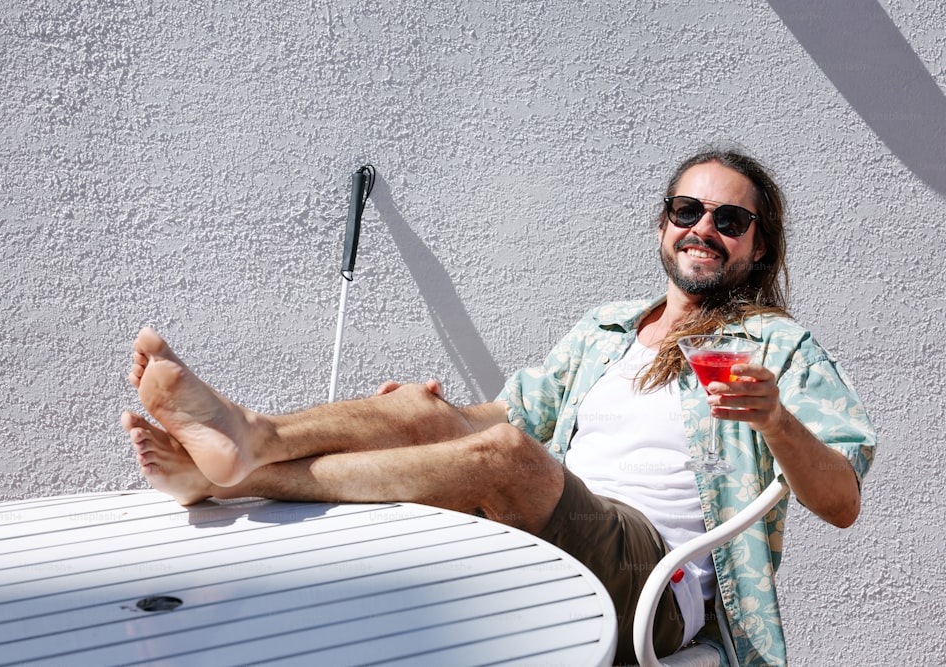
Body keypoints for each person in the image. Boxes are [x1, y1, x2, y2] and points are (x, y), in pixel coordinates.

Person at [121, 149, 875, 666]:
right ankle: (249, 437)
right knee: (430, 407)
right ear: (662, 225)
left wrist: (774, 417)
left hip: (656, 582)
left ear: (759, 250)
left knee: (508, 456)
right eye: (688, 209)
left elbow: (840, 501)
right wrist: (423, 416)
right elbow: (510, 410)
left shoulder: (777, 346)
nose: (703, 228)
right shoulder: (609, 327)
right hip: (561, 523)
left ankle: (230, 478)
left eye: (729, 220)